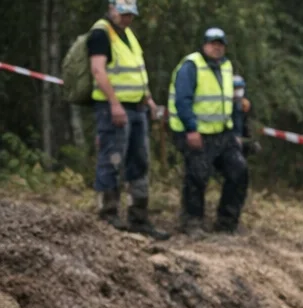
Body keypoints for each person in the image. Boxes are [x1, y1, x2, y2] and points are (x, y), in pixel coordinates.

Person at [87, 0, 168, 237]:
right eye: (123, 13)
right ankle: (108, 214)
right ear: (111, 9)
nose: (127, 18)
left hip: (137, 108)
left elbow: (137, 73)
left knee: (139, 161)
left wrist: (149, 100)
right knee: (112, 159)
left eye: (131, 14)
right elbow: (98, 70)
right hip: (113, 108)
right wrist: (114, 104)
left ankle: (138, 217)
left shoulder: (128, 35)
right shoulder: (101, 33)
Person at [169, 27, 249, 234]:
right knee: (197, 176)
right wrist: (191, 130)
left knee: (239, 170)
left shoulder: (226, 67)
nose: (217, 48)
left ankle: (227, 223)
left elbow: (234, 103)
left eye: (220, 44)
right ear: (204, 45)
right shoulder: (191, 66)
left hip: (223, 133)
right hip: (197, 133)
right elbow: (182, 101)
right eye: (213, 43)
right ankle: (192, 222)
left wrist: (237, 133)